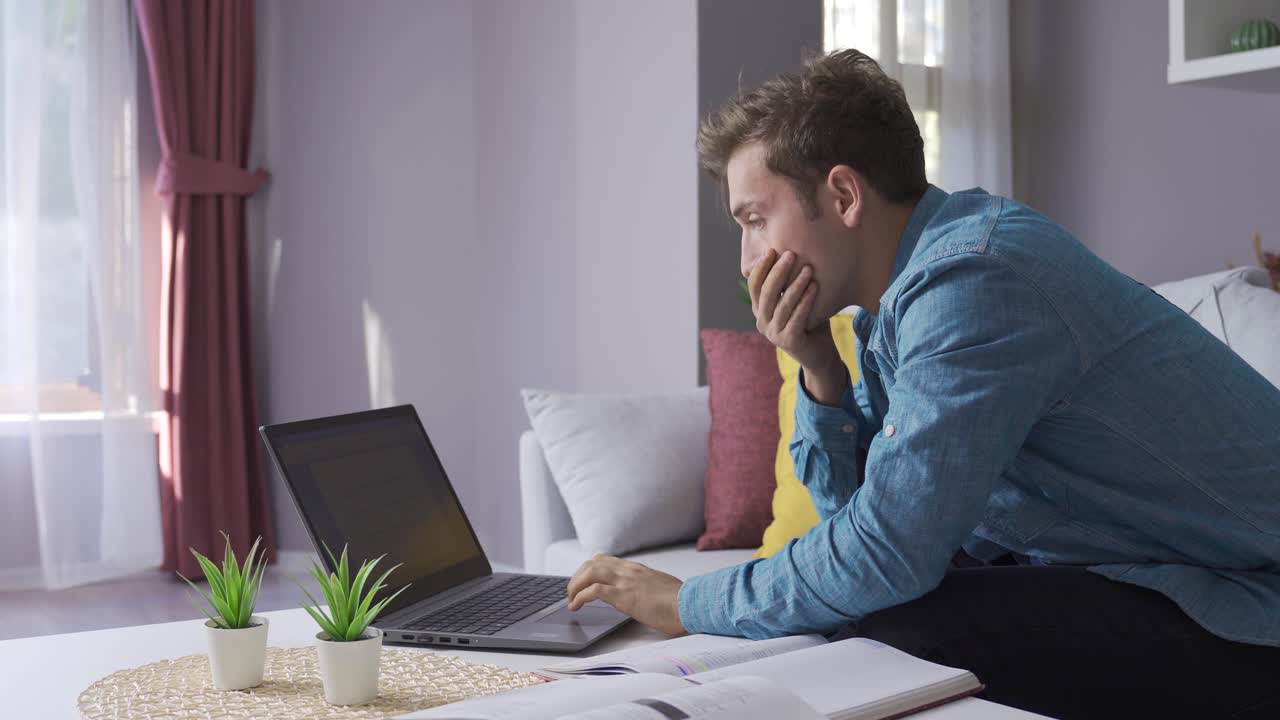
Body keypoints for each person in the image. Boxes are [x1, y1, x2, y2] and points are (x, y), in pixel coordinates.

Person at [564, 49, 1280, 719]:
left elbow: (881, 557)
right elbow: (859, 524)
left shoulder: (973, 277)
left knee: (901, 625)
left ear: (843, 194)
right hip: (1144, 574)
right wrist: (820, 373)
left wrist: (689, 601)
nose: (748, 261)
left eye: (755, 220)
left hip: (1250, 603)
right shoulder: (893, 310)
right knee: (873, 613)